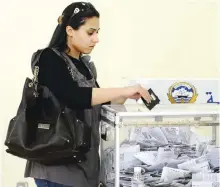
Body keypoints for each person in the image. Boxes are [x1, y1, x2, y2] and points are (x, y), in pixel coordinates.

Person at [24, 2, 152, 187]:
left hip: (84, 166)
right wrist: (123, 90)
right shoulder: (48, 59)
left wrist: (125, 95)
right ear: (70, 30)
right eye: (90, 33)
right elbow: (75, 97)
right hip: (57, 168)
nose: (96, 39)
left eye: (98, 32)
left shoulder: (85, 65)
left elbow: (93, 100)